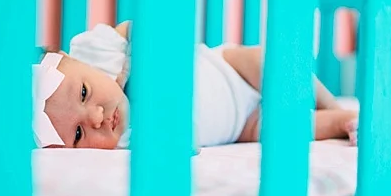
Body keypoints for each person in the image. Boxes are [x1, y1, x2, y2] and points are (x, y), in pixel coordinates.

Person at [32, 22, 359, 150]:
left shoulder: (96, 52)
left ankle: (331, 104)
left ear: (72, 59)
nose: (97, 118)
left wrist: (131, 64)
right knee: (280, 129)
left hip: (230, 70)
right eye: (78, 134)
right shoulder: (124, 147)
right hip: (241, 127)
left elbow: (138, 26)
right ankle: (341, 122)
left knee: (269, 63)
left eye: (84, 93)